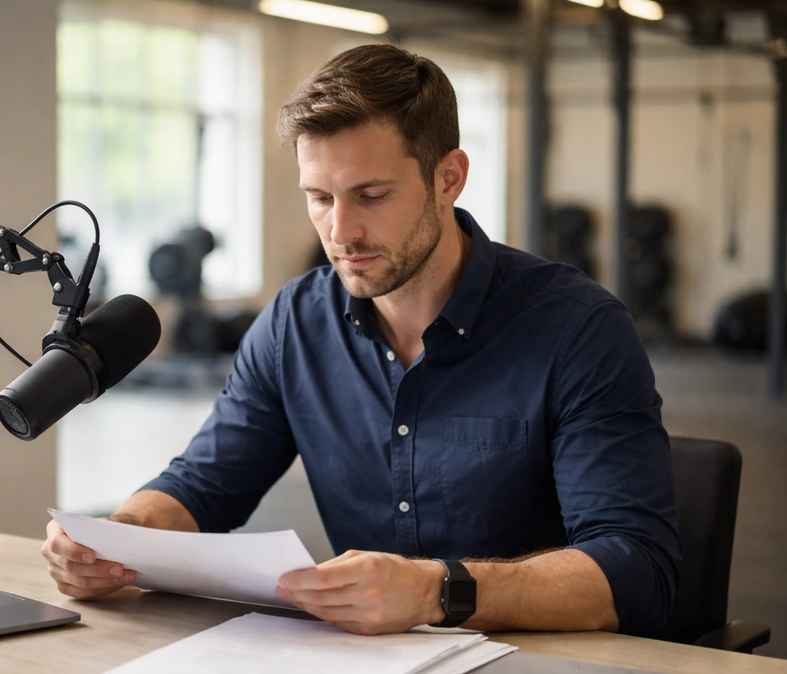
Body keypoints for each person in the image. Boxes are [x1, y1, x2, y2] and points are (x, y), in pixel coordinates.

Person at [41, 44, 680, 638]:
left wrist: (439, 591)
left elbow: (635, 569)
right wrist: (118, 540)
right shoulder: (295, 324)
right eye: (319, 198)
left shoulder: (577, 329)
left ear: (449, 178)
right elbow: (204, 484)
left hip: (545, 673)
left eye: (371, 195)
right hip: (360, 673)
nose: (341, 231)